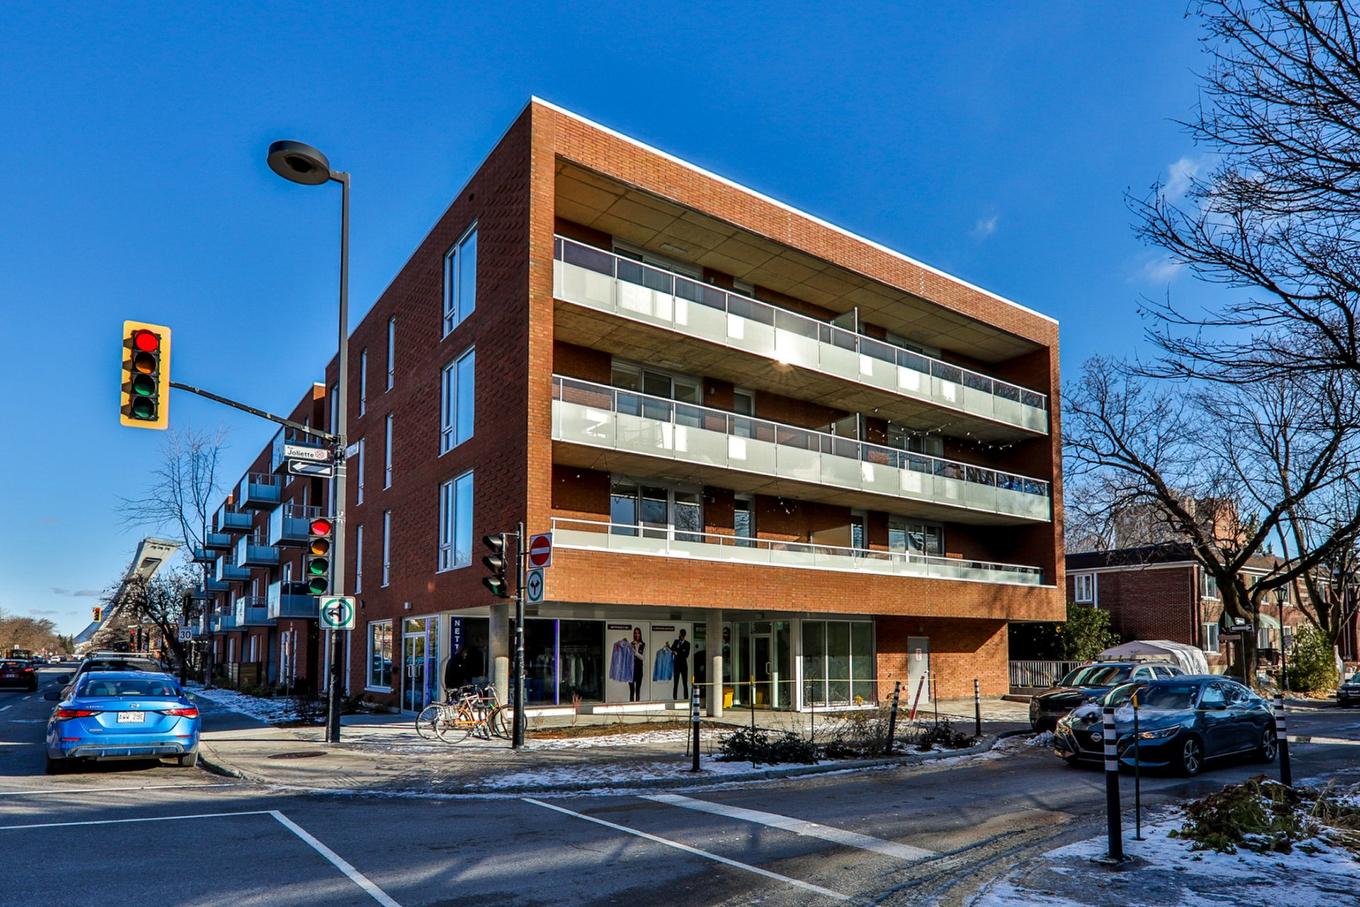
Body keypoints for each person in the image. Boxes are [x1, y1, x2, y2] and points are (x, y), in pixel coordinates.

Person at [669, 629, 691, 700]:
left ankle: (686, 698)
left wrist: (677, 653)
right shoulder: (676, 642)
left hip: (684, 666)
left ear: (683, 636)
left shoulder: (687, 644)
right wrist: (669, 646)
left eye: (681, 635)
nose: (679, 636)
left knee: (685, 683)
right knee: (675, 683)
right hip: (676, 665)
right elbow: (672, 650)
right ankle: (674, 698)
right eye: (679, 634)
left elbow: (686, 655)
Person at [629, 628, 646, 702]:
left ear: (640, 634)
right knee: (632, 691)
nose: (637, 634)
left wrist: (635, 652)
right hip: (631, 670)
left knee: (638, 690)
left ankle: (637, 706)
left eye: (638, 633)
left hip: (639, 669)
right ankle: (630, 708)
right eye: (635, 633)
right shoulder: (630, 644)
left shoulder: (643, 644)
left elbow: (643, 658)